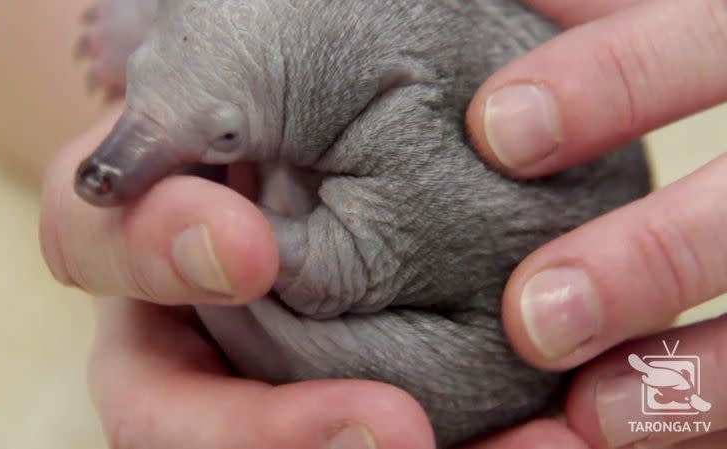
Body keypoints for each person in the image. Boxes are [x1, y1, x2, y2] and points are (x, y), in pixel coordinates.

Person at [39, 0, 727, 447]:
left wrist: (255, 232)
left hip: (453, 341)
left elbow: (348, 263)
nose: (112, 170)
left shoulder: (396, 110)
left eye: (224, 136)